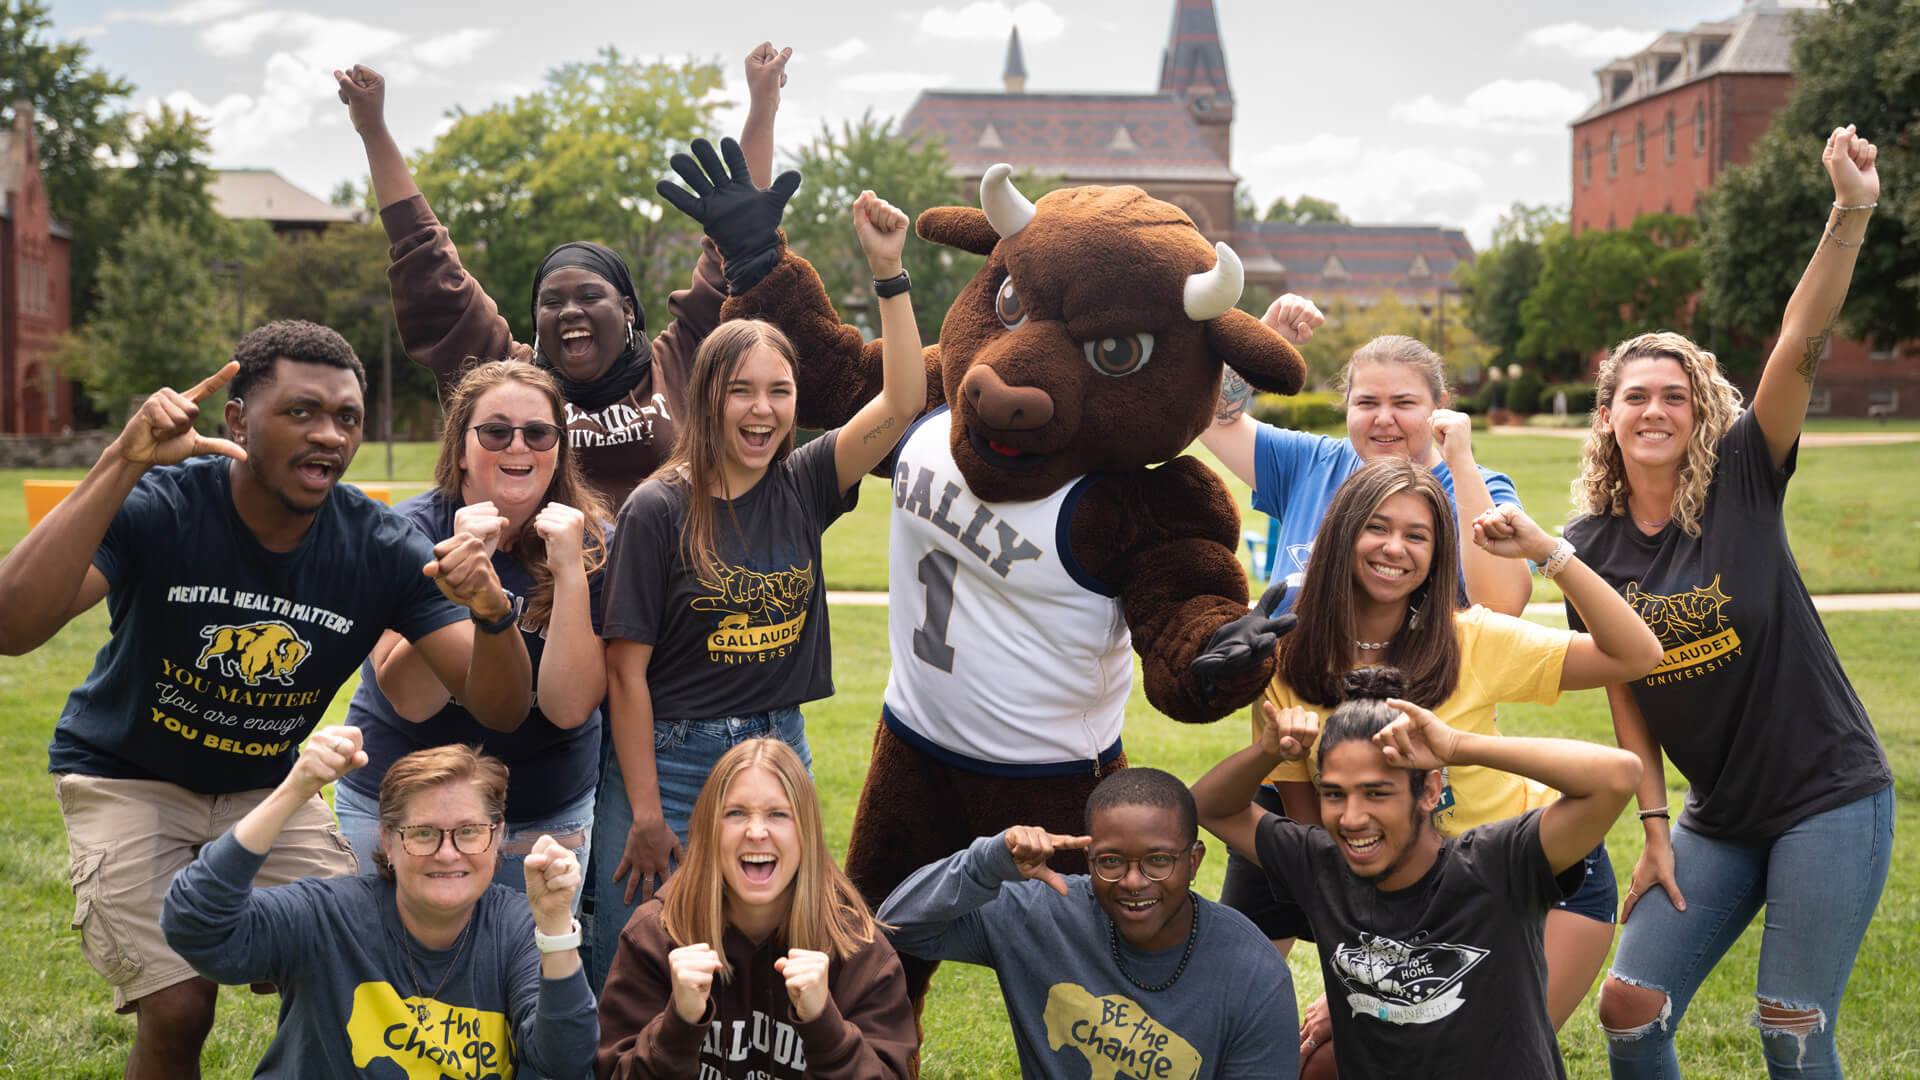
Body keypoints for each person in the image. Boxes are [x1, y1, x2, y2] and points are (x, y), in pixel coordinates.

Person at [0, 320, 531, 1077]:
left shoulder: (377, 546)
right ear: (238, 420)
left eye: (346, 417)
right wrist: (121, 461)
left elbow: (500, 708)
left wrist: (491, 611)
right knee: (181, 1003)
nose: (329, 435)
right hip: (127, 777)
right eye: (301, 412)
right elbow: (14, 626)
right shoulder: (165, 505)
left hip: (264, 791)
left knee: (360, 961)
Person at [1576, 127, 1892, 1079]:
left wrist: (1850, 210)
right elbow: (1625, 689)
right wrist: (1654, 826)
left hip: (1827, 796)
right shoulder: (1591, 546)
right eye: (1637, 396)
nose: (1657, 410)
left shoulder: (1746, 476)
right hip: (1719, 813)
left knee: (1788, 1024)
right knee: (1630, 1008)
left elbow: (1801, 340)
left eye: (1675, 394)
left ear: (1699, 408)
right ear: (1609, 415)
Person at [1219, 456, 1661, 1071]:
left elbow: (1638, 653)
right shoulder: (1288, 660)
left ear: (1438, 552)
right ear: (1344, 531)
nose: (1394, 548)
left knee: (1472, 1057)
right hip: (1404, 894)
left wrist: (1547, 551)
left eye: (1417, 535)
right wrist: (1370, 978)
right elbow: (1321, 839)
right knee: (1321, 1064)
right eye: (1377, 527)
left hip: (1527, 882)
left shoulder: (1471, 638)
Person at [589, 189, 926, 989]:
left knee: (766, 964)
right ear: (709, 396)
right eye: (743, 389)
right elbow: (624, 674)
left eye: (779, 391)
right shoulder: (658, 507)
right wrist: (643, 810)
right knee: (637, 964)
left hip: (781, 749)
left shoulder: (804, 483)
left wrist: (890, 274)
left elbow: (905, 400)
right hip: (675, 758)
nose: (763, 410)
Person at [334, 41, 791, 505]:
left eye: (590, 296)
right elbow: (429, 267)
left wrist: (763, 105)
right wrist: (373, 130)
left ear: (627, 308)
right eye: (551, 302)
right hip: (542, 576)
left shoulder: (681, 362)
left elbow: (735, 242)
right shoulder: (507, 380)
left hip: (670, 576)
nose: (570, 311)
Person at [1191, 670, 1642, 1078]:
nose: (1351, 817)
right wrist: (1266, 753)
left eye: (1376, 793)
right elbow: (1207, 806)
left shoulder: (1494, 864)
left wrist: (1459, 747)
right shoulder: (1321, 865)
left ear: (1429, 791)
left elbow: (1618, 776)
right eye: (1333, 794)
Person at [162, 732, 595, 1078]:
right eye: (423, 833)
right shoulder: (329, 915)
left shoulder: (515, 927)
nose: (447, 853)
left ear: (497, 837)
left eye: (468, 831)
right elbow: (195, 926)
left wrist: (556, 926)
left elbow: (565, 1060)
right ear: (388, 840)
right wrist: (293, 791)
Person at [336, 360, 612, 894]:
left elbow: (568, 706)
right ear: (460, 451)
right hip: (395, 809)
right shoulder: (403, 534)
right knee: (376, 973)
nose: (517, 446)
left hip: (540, 815)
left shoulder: (596, 543)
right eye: (495, 431)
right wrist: (457, 587)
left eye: (538, 433)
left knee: (527, 973)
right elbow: (412, 698)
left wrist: (571, 573)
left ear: (557, 453)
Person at [878, 767, 1298, 1079]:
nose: (1134, 882)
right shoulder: (1042, 913)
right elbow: (897, 925)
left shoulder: (1254, 973)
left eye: (1158, 860)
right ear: (1089, 860)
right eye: (1111, 862)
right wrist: (986, 863)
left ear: (1193, 862)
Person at [595, 738, 915, 1078]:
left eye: (778, 814)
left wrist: (825, 1025)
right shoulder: (656, 937)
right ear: (708, 831)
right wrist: (678, 1024)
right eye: (736, 813)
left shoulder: (857, 951)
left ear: (806, 832)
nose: (757, 831)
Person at [1205, 316, 1532, 617]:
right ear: (1346, 405)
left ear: (1440, 405)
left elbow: (1503, 608)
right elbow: (1209, 417)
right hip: (1288, 677)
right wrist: (1262, 342)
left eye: (1404, 403)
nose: (1384, 419)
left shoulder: (1479, 489)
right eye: (1366, 402)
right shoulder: (1309, 464)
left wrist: (1461, 464)